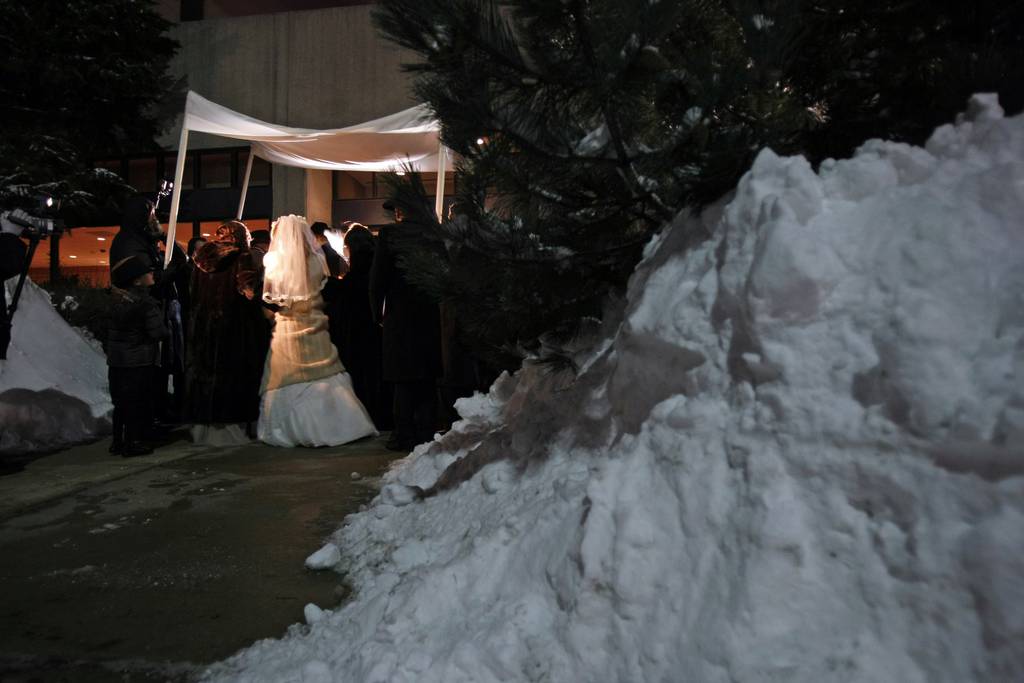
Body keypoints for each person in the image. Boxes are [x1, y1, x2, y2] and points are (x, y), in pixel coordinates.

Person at [258, 214, 376, 447]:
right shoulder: (315, 260)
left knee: (284, 375)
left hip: (288, 327)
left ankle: (288, 429)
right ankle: (340, 425)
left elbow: (273, 300)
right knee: (327, 372)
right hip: (314, 323)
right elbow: (327, 289)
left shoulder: (276, 264)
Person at [184, 220, 268, 445]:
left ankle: (205, 427)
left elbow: (191, 294)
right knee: (236, 375)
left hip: (205, 329)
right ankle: (236, 426)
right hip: (236, 327)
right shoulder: (243, 258)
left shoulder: (201, 259)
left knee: (208, 375)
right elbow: (249, 292)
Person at [370, 201, 442, 451]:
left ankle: (403, 433)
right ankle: (427, 431)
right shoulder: (433, 233)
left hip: (400, 314)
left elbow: (378, 278)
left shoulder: (389, 234)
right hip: (429, 313)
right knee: (427, 377)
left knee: (402, 378)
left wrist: (377, 312)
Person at [110, 195, 186, 425]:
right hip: (142, 322)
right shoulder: (130, 242)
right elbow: (144, 277)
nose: (154, 219)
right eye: (150, 214)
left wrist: (163, 236)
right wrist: (170, 270)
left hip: (151, 313)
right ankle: (143, 425)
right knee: (143, 379)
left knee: (154, 373)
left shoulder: (141, 239)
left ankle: (153, 416)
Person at [107, 255, 168, 457]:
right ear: (136, 280)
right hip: (139, 360)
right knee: (137, 401)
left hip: (117, 360)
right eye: (147, 273)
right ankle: (133, 442)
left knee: (121, 403)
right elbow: (157, 333)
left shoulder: (116, 300)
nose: (152, 274)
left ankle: (117, 441)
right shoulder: (146, 304)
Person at [331, 223, 390, 428]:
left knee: (361, 374)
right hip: (377, 331)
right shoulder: (376, 265)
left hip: (357, 331)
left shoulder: (355, 273)